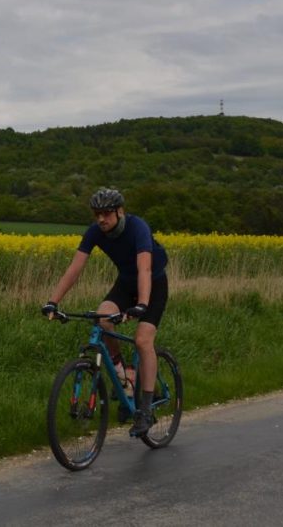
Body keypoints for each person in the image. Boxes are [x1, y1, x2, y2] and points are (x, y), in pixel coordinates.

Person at [41, 187, 169, 437]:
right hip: (125, 283)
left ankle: (144, 409)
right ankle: (124, 372)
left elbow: (144, 269)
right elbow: (75, 269)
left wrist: (141, 304)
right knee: (103, 317)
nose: (101, 219)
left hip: (153, 284)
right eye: (97, 214)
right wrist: (52, 302)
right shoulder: (95, 233)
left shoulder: (137, 227)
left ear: (120, 212)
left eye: (107, 214)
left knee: (143, 340)